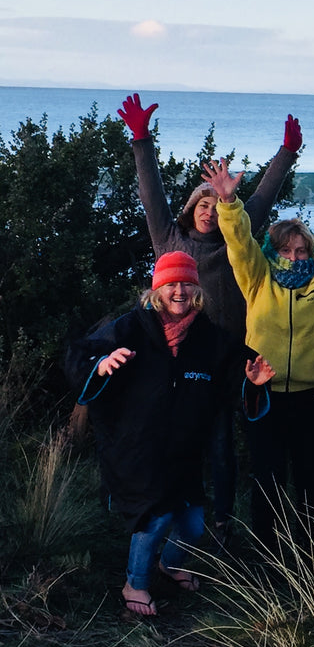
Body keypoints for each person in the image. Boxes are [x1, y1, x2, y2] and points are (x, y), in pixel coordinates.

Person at [117, 93, 301, 546]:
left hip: (223, 358)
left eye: (214, 204)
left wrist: (287, 153)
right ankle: (157, 514)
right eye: (201, 202)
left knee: (221, 443)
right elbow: (150, 192)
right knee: (171, 438)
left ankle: (219, 522)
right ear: (190, 209)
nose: (207, 209)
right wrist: (141, 139)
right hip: (173, 358)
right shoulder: (169, 236)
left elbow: (262, 195)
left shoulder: (236, 240)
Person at [65, 252, 274, 617]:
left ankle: (171, 565)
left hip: (184, 451)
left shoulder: (210, 338)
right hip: (134, 447)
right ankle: (136, 583)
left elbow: (236, 376)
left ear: (196, 289)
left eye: (186, 283)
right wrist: (100, 366)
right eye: (170, 284)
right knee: (156, 517)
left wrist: (252, 384)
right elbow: (81, 355)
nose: (178, 291)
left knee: (193, 524)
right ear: (156, 289)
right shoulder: (130, 327)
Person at [207, 157, 314, 549]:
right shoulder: (258, 277)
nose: (296, 256)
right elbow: (239, 245)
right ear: (273, 250)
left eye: (302, 250)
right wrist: (229, 204)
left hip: (311, 396)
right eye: (287, 249)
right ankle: (268, 554)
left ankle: (313, 554)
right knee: (266, 477)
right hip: (263, 393)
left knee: (313, 478)